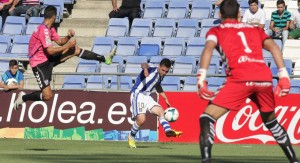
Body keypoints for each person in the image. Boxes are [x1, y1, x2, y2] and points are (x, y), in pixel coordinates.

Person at [197, 0, 299, 163]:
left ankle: (206, 161)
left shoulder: (216, 30)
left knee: (207, 118)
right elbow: (273, 46)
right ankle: (294, 161)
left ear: (219, 15)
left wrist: (201, 78)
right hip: (264, 78)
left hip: (240, 78)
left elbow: (208, 49)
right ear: (239, 15)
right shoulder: (254, 29)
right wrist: (284, 76)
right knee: (271, 121)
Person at [13, 5, 115, 110]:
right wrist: (67, 46)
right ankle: (24, 97)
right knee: (47, 96)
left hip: (48, 58)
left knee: (74, 50)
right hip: (39, 65)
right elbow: (50, 50)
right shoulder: (43, 31)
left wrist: (68, 36)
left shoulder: (49, 29)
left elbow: (61, 42)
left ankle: (104, 58)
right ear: (53, 16)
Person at [128, 58, 182, 148]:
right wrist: (145, 70)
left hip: (147, 96)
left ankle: (168, 130)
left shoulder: (161, 75)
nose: (164, 73)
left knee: (161, 111)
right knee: (141, 120)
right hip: (138, 94)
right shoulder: (152, 67)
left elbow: (157, 85)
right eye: (163, 70)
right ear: (159, 66)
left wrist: (165, 98)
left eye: (166, 71)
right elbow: (143, 64)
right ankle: (131, 137)